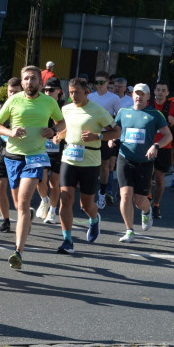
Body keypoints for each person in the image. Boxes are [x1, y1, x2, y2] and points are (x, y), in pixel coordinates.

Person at [0, 65, 65, 270]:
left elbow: (62, 122)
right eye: (26, 79)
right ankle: (26, 218)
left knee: (22, 203)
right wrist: (11, 133)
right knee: (18, 204)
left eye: (33, 79)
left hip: (36, 157)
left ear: (40, 82)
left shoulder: (49, 102)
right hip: (12, 156)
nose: (30, 82)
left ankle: (18, 252)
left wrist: (52, 130)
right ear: (21, 82)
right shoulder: (13, 100)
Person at [56, 78, 118, 254]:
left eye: (77, 92)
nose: (73, 96)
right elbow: (69, 127)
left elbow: (116, 131)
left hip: (90, 161)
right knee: (66, 197)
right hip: (69, 158)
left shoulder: (98, 111)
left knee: (85, 205)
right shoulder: (66, 109)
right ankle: (67, 240)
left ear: (86, 92)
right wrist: (59, 136)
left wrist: (97, 137)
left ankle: (94, 218)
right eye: (71, 92)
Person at [114, 83, 171, 243]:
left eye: (142, 94)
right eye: (136, 93)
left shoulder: (155, 114)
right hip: (124, 158)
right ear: (132, 95)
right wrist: (112, 139)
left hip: (145, 162)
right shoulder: (123, 112)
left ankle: (147, 212)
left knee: (139, 201)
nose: (138, 96)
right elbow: (117, 130)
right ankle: (129, 230)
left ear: (148, 97)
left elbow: (168, 135)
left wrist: (156, 145)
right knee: (125, 195)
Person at [0, 77, 23, 233]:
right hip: (4, 150)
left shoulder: (26, 107)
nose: (12, 95)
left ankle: (23, 216)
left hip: (20, 152)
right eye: (10, 91)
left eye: (15, 92)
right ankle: (6, 220)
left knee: (16, 190)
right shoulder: (1, 107)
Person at [89, 71, 122, 206]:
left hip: (105, 135)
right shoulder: (90, 96)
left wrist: (113, 137)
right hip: (90, 136)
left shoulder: (114, 98)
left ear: (108, 83)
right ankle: (89, 196)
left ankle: (102, 194)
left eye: (102, 82)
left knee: (104, 166)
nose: (99, 85)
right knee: (90, 166)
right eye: (97, 82)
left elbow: (118, 119)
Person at [150, 81, 174, 218]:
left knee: (159, 177)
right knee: (146, 175)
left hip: (164, 146)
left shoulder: (172, 107)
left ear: (168, 93)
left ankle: (156, 205)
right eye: (158, 90)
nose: (160, 92)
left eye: (163, 90)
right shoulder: (148, 105)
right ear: (154, 91)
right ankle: (148, 197)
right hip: (148, 146)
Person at [35, 77, 65, 224]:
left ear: (58, 91)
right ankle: (44, 200)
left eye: (51, 90)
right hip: (41, 148)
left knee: (54, 182)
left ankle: (53, 211)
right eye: (45, 89)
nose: (47, 92)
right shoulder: (40, 104)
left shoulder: (64, 107)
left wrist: (59, 134)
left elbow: (67, 125)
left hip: (59, 150)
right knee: (40, 179)